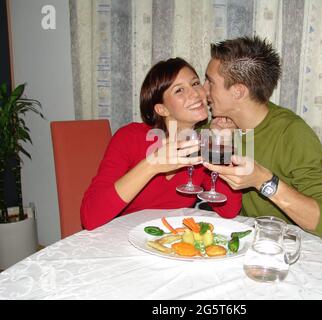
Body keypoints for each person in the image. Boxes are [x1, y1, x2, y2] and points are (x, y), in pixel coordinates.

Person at [203, 36, 322, 242]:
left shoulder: (293, 134)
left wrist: (264, 181)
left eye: (210, 82)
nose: (203, 90)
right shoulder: (221, 125)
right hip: (245, 241)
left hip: (288, 248)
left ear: (238, 91)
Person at [81, 57, 241, 230]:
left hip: (167, 243)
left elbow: (229, 210)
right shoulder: (130, 138)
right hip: (122, 239)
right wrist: (152, 165)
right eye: (179, 90)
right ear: (162, 109)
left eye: (195, 84)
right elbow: (90, 217)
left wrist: (221, 144)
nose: (196, 94)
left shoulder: (200, 146)